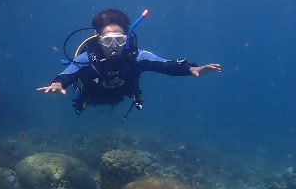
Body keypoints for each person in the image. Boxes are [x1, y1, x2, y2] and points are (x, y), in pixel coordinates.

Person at [38, 8, 221, 114]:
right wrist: (57, 84)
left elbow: (167, 65)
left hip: (120, 96)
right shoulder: (87, 59)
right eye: (108, 40)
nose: (114, 46)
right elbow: (68, 74)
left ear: (126, 39)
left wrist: (191, 69)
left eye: (119, 40)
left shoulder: (137, 57)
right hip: (90, 97)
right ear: (99, 40)